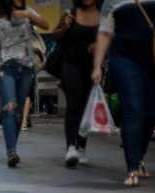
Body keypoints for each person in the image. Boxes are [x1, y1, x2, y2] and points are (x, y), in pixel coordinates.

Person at [92, 0, 155, 185]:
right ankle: (132, 167)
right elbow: (105, 33)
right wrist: (97, 66)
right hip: (124, 59)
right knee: (134, 107)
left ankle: (138, 158)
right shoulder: (111, 2)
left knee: (151, 114)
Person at [0, 0, 49, 167]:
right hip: (4, 67)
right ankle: (11, 151)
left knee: (18, 112)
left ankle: (11, 140)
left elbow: (46, 25)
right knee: (10, 106)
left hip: (27, 67)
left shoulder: (28, 11)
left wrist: (28, 14)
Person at [55, 0, 100, 166]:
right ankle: (71, 147)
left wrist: (101, 45)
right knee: (74, 104)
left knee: (86, 107)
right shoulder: (70, 13)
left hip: (93, 68)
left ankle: (82, 147)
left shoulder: (105, 15)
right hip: (71, 64)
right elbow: (55, 35)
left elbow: (112, 38)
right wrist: (65, 26)